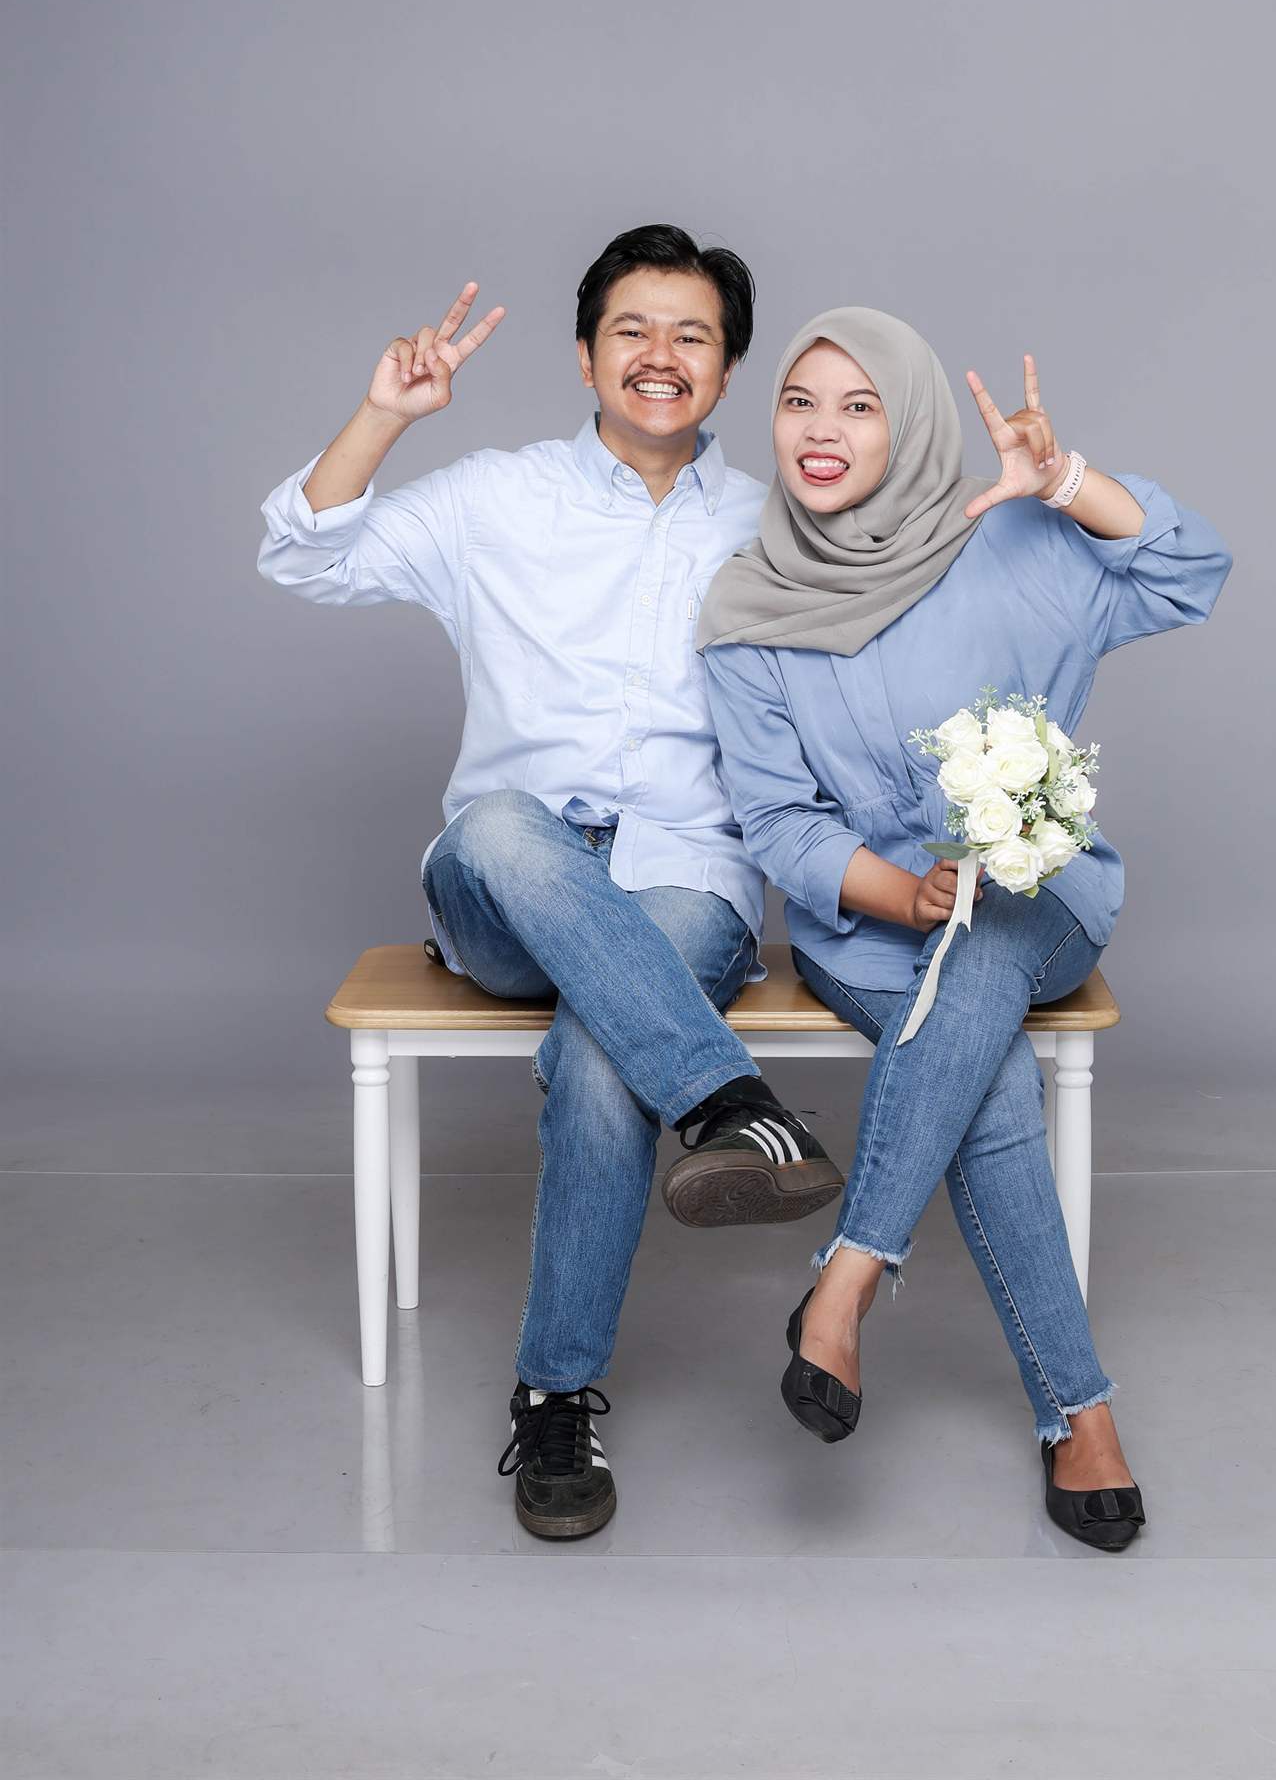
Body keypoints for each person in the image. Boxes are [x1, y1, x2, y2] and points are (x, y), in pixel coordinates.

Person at [255, 227, 846, 1542]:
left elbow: (869, 674)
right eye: (632, 329)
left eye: (692, 335)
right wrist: (383, 414)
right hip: (504, 885)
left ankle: (555, 1393)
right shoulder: (495, 496)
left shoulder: (773, 526)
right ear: (586, 356)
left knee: (599, 1050)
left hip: (686, 876)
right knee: (504, 822)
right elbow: (303, 555)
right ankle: (734, 1102)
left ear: (727, 368)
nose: (660, 355)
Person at [695, 306, 1233, 1552]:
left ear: (914, 422)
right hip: (873, 929)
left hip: (1041, 905)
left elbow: (1190, 571)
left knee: (985, 940)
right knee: (983, 1070)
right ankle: (1080, 1415)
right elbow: (778, 820)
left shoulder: (1014, 541)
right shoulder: (751, 600)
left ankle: (848, 1276)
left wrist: (1070, 480)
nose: (822, 431)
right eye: (799, 402)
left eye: (860, 405)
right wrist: (906, 894)